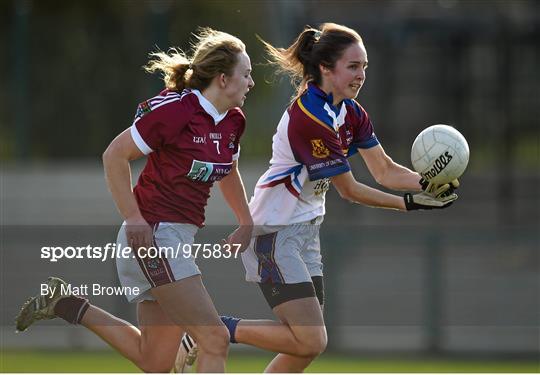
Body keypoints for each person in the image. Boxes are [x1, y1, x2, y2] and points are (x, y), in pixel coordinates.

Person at [176, 23, 458, 373]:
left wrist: (427, 185)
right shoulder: (310, 116)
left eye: (365, 67)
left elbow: (384, 170)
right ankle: (211, 330)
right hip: (274, 233)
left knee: (303, 348)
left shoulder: (351, 112)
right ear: (326, 68)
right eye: (353, 67)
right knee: (312, 339)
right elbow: (349, 189)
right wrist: (408, 203)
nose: (361, 75)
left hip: (305, 232)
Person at [15, 27, 255, 373]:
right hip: (154, 237)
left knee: (154, 361)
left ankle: (66, 305)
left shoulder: (234, 121)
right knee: (214, 338)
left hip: (174, 239)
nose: (251, 83)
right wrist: (133, 218)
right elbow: (114, 155)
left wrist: (246, 221)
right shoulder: (177, 111)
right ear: (222, 78)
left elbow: (228, 170)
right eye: (245, 75)